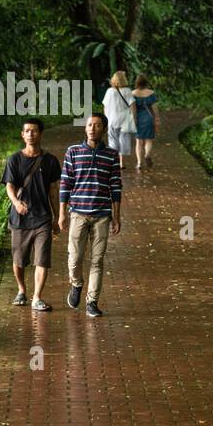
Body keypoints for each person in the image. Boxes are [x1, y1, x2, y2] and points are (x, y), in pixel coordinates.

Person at [59, 112, 122, 318]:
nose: (92, 128)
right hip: (78, 212)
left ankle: (92, 302)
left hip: (102, 215)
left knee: (97, 260)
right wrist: (62, 213)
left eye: (96, 125)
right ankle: (76, 284)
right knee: (74, 258)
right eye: (89, 125)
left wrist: (117, 216)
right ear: (85, 129)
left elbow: (116, 186)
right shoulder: (73, 152)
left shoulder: (111, 155)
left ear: (103, 129)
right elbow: (65, 183)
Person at [2, 119, 64, 310]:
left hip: (43, 217)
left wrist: (58, 216)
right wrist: (16, 203)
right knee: (19, 259)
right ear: (22, 135)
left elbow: (54, 190)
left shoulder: (50, 160)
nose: (30, 134)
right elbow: (9, 186)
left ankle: (37, 297)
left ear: (41, 134)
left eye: (34, 131)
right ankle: (21, 290)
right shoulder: (14, 160)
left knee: (42, 258)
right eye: (27, 131)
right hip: (20, 218)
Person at [101, 71, 136, 170]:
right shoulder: (127, 91)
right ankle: (121, 162)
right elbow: (132, 105)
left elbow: (105, 106)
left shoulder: (109, 91)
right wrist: (134, 118)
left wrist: (106, 118)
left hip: (112, 119)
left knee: (113, 140)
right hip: (125, 120)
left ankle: (113, 162)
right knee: (123, 140)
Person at [131, 74, 161, 170]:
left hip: (138, 118)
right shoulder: (151, 93)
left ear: (137, 82)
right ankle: (147, 155)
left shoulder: (133, 93)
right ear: (146, 82)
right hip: (149, 118)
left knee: (139, 142)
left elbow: (133, 109)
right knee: (149, 140)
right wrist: (156, 117)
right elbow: (154, 107)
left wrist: (134, 119)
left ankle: (139, 163)